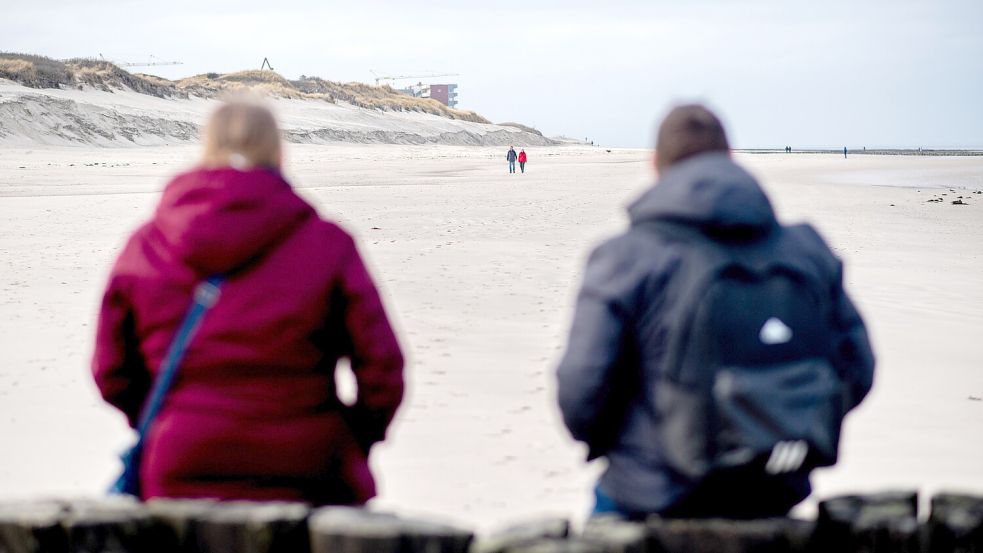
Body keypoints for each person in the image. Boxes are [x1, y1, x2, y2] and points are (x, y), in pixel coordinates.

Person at [556, 104, 874, 520]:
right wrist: (783, 424)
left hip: (649, 496)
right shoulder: (806, 250)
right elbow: (858, 368)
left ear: (656, 165)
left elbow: (580, 391)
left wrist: (636, 447)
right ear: (729, 158)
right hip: (773, 492)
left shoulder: (624, 257)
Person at [92, 100, 404, 505]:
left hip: (181, 461)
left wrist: (166, 421)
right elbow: (382, 367)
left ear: (206, 151)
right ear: (279, 154)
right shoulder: (328, 244)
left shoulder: (146, 245)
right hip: (306, 463)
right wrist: (351, 437)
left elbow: (112, 369)